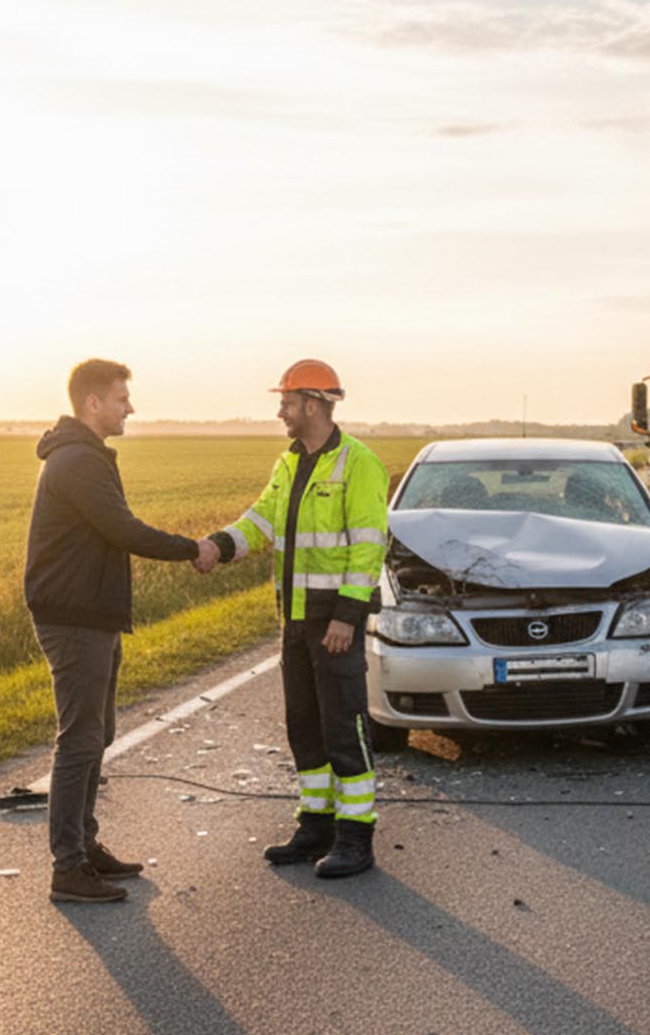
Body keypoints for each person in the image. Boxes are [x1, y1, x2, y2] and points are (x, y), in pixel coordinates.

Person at [195, 359, 389, 878]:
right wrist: (216, 546)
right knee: (303, 726)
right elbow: (259, 523)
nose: (280, 410)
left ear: (312, 403)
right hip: (297, 621)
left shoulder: (358, 463)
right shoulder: (288, 465)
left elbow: (369, 548)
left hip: (334, 622)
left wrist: (348, 616)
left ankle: (356, 835)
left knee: (343, 725)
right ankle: (315, 826)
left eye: (285, 402)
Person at [24, 359, 203, 903]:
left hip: (90, 615)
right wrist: (195, 549)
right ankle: (68, 867)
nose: (131, 407)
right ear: (93, 403)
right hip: (73, 617)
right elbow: (121, 529)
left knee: (96, 734)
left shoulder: (84, 455)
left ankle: (85, 846)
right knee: (79, 739)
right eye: (122, 398)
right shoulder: (77, 460)